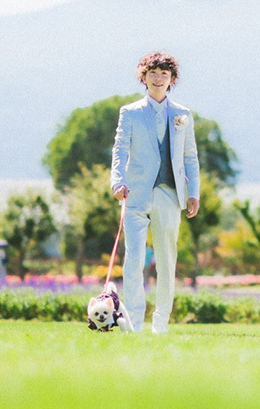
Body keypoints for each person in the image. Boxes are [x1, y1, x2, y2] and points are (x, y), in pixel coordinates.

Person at [111, 51, 201, 334]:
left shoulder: (182, 114)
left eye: (164, 73)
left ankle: (160, 324)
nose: (158, 78)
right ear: (144, 77)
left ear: (172, 78)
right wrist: (117, 181)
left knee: (166, 260)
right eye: (153, 73)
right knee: (134, 259)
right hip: (136, 193)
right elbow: (120, 149)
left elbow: (190, 158)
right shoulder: (130, 112)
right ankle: (135, 323)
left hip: (170, 193)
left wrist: (193, 193)